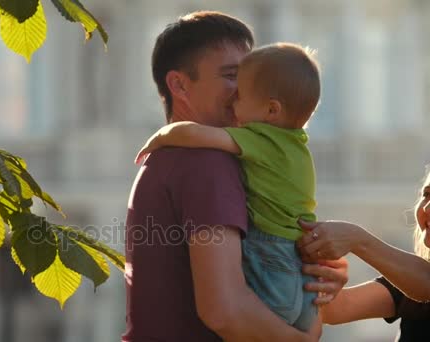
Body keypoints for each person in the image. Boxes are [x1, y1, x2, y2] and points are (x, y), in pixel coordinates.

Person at [123, 11, 346, 342]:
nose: (245, 90)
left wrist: (310, 279)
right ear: (179, 84)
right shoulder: (205, 163)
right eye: (231, 76)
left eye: (251, 78)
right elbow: (224, 310)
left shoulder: (180, 158)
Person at [297, 170, 430, 341]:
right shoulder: (409, 281)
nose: (427, 207)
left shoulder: (421, 279)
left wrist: (357, 239)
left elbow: (426, 281)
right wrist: (319, 282)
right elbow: (335, 309)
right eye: (426, 194)